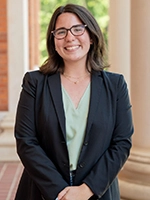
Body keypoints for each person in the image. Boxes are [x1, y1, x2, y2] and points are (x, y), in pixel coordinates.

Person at [14, 3, 134, 200]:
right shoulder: (35, 83)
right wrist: (60, 193)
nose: (70, 37)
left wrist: (85, 191)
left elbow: (121, 143)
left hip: (97, 193)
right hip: (43, 192)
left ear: (92, 36)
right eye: (61, 32)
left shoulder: (115, 85)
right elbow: (26, 141)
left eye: (78, 29)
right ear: (54, 41)